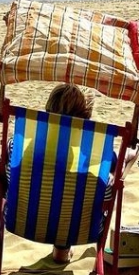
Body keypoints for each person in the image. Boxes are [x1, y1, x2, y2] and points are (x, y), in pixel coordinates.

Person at [42, 83, 95, 263]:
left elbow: (7, 177)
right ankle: (62, 251)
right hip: (77, 225)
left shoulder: (20, 146)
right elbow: (107, 193)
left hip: (25, 221)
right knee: (71, 199)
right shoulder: (94, 157)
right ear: (86, 118)